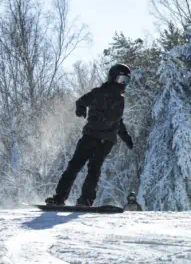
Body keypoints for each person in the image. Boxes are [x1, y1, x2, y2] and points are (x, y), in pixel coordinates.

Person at [45, 64, 134, 207]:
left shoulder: (120, 99)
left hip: (106, 141)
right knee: (74, 166)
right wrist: (80, 109)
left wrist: (126, 137)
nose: (123, 84)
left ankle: (86, 199)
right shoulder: (98, 93)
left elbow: (118, 121)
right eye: (121, 79)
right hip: (90, 136)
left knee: (94, 169)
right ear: (113, 77)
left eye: (126, 81)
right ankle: (59, 197)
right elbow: (81, 101)